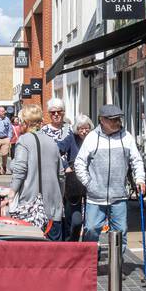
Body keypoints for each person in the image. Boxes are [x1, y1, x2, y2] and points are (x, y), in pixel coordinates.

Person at [74, 103, 146, 244]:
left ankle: (118, 264)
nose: (117, 122)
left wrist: (140, 179)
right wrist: (89, 183)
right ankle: (92, 261)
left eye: (118, 119)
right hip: (95, 197)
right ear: (102, 120)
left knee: (120, 233)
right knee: (91, 229)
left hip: (119, 196)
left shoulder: (127, 137)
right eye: (112, 119)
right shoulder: (92, 138)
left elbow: (137, 160)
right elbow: (79, 163)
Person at [7, 103, 64, 239]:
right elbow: (61, 174)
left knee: (30, 253)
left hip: (30, 206)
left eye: (20, 121)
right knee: (52, 252)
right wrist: (60, 197)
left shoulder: (23, 141)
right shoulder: (52, 142)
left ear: (25, 123)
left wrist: (11, 193)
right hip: (53, 207)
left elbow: (20, 170)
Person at [40, 98, 80, 241]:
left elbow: (76, 153)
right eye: (53, 112)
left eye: (59, 111)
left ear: (63, 112)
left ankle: (69, 244)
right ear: (49, 114)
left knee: (71, 217)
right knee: (54, 216)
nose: (56, 114)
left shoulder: (71, 130)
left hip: (69, 180)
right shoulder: (43, 131)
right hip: (50, 179)